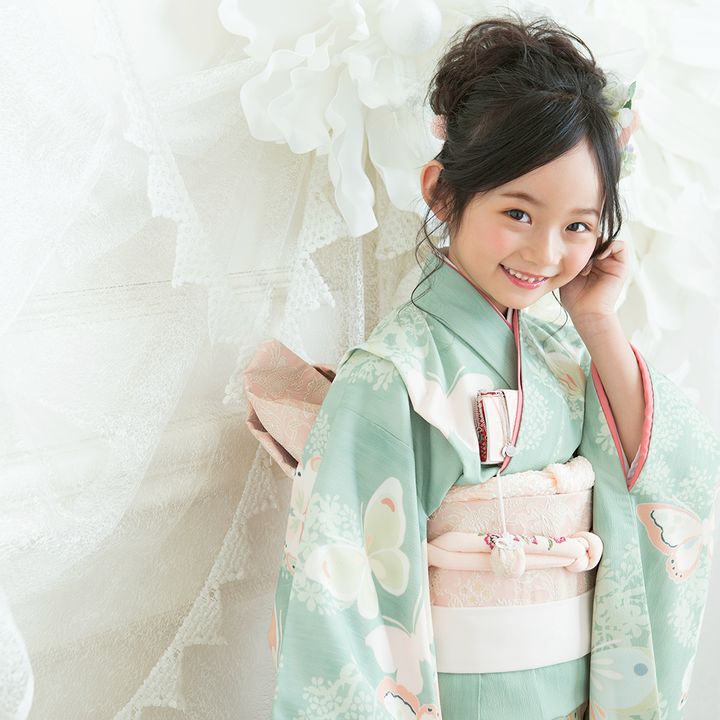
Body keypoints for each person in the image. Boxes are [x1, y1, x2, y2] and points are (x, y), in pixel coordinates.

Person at [258, 14, 720, 720]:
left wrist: (598, 321)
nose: (545, 253)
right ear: (443, 193)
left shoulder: (564, 355)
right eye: (519, 213)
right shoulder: (393, 374)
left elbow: (661, 471)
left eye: (578, 225)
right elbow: (343, 596)